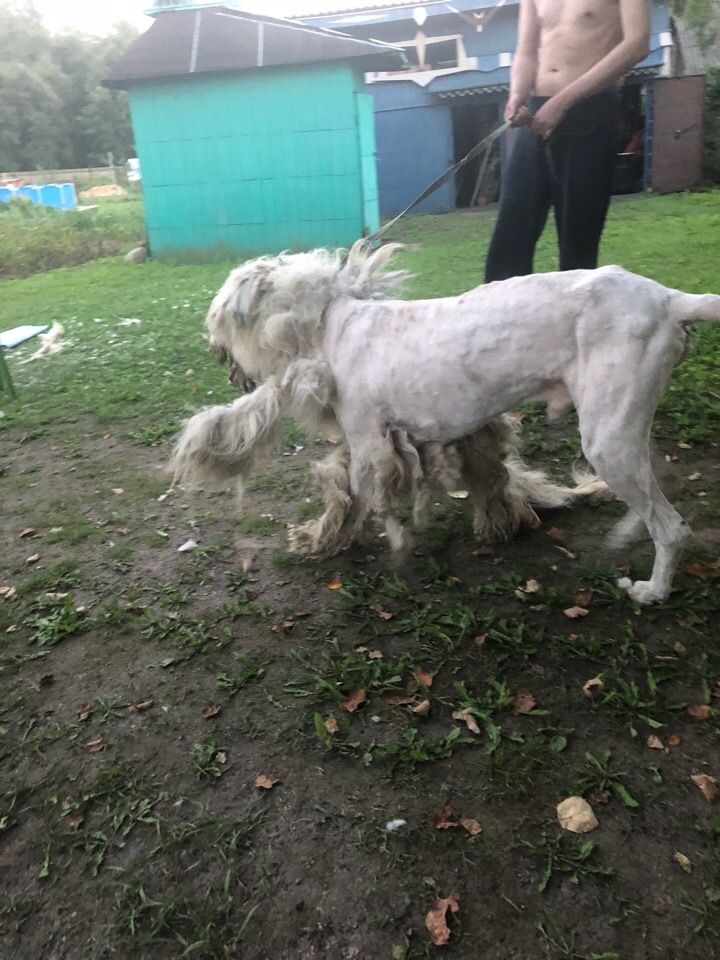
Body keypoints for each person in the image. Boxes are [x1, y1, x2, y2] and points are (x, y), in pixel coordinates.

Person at [484, 0, 651, 282]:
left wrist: (563, 101)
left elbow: (637, 44)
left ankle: (578, 320)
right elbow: (526, 50)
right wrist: (518, 94)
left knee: (578, 236)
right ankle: (502, 320)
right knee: (512, 228)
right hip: (536, 111)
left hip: (590, 108)